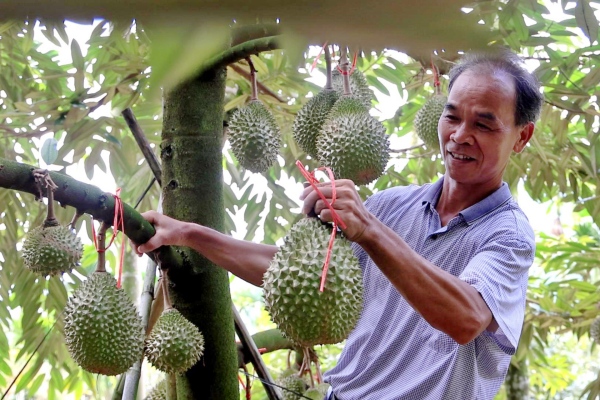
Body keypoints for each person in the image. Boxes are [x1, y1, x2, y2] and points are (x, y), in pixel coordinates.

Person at [134, 48, 544, 399]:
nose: (459, 136)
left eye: (484, 124)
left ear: (521, 137)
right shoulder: (391, 206)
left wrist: (368, 229)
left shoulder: (507, 233)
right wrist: (188, 233)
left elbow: (467, 318)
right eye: (452, 117)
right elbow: (294, 274)